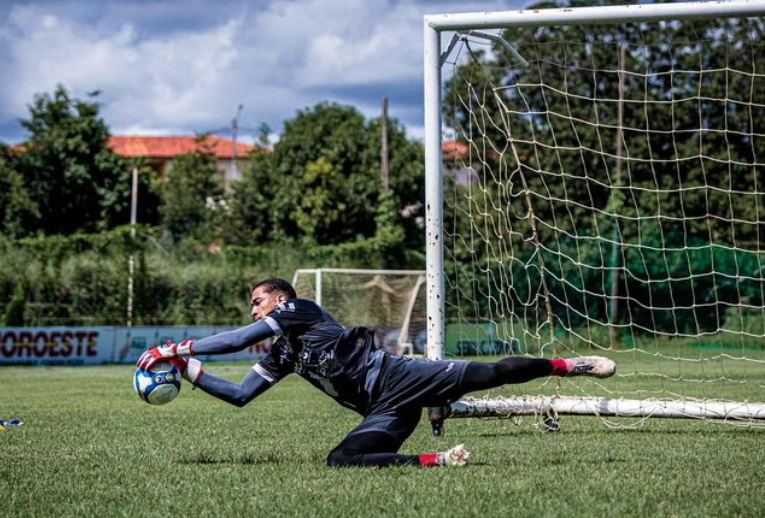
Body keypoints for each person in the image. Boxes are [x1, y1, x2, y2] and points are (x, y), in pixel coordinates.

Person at [138, 278, 616, 468]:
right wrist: (191, 371)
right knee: (340, 461)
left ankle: (567, 365)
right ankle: (437, 461)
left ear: (279, 300)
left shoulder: (299, 309)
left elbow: (239, 339)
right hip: (384, 409)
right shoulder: (284, 351)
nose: (253, 309)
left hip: (398, 378)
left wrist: (173, 346)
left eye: (257, 301)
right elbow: (241, 393)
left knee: (489, 374)